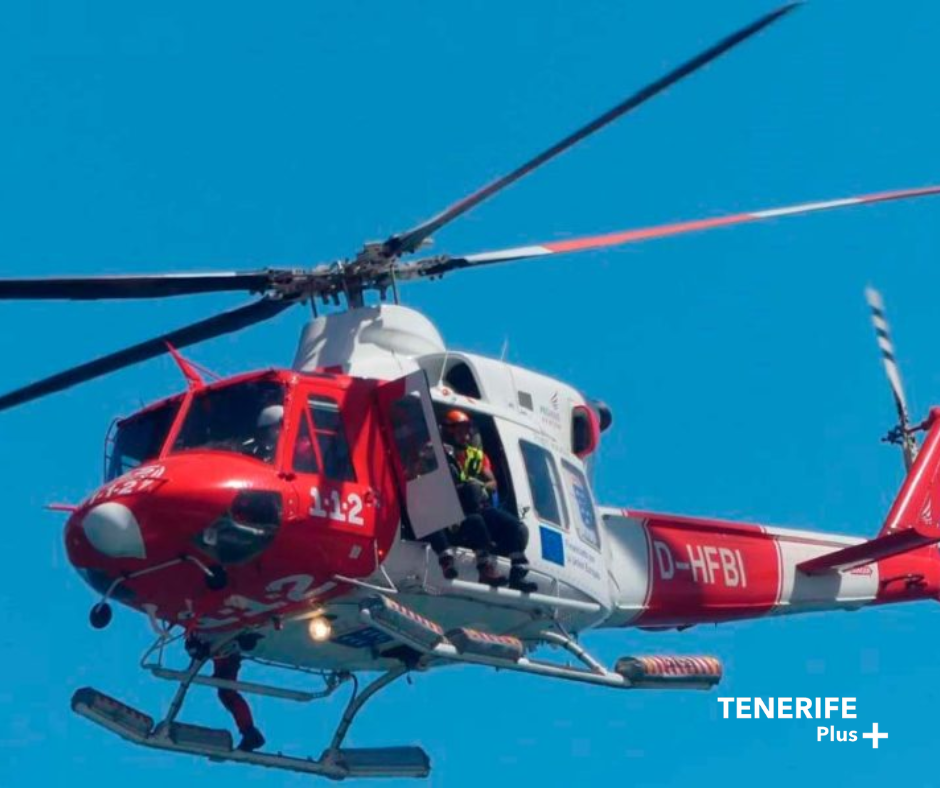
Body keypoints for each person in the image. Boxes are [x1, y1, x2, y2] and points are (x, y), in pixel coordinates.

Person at [441, 409, 538, 593]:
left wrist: (482, 487)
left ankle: (517, 575)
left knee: (517, 529)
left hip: (478, 505)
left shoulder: (476, 456)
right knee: (475, 519)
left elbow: (492, 482)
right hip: (453, 508)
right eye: (460, 431)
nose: (465, 436)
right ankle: (484, 567)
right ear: (448, 431)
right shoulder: (438, 452)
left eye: (467, 431)